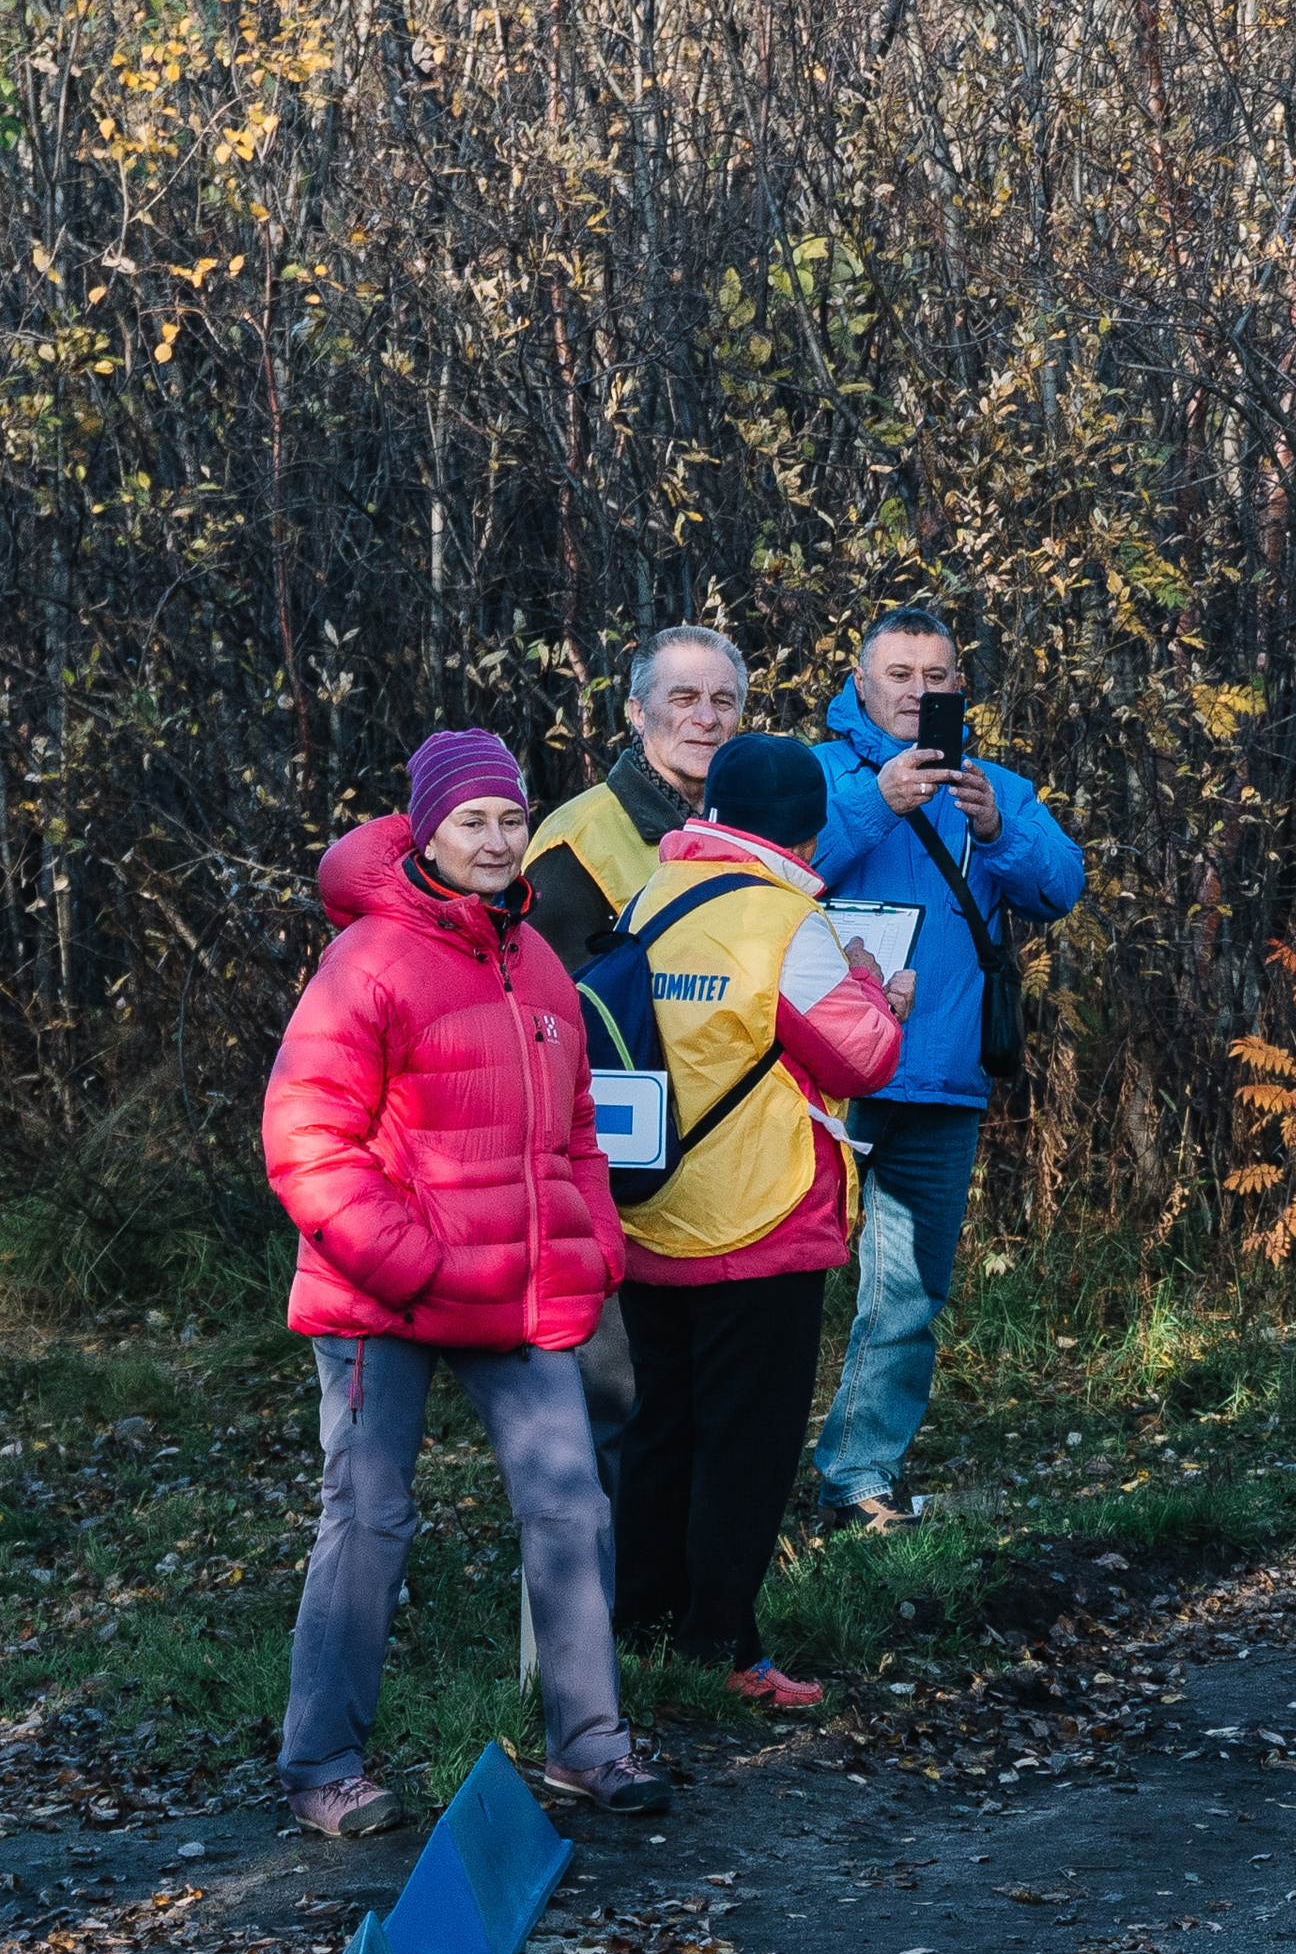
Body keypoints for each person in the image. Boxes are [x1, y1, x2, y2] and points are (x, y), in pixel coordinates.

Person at [263, 729, 671, 1836]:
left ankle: (588, 1745)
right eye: (471, 821)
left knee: (571, 1504)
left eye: (509, 818)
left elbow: (578, 1128)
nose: (495, 840)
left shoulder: (535, 959)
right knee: (369, 1518)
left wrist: (594, 1245)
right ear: (427, 833)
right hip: (385, 1295)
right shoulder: (369, 959)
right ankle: (321, 1765)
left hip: (517, 1292)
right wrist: (415, 1261)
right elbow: (305, 1136)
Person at [612, 731, 913, 1706]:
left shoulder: (652, 895)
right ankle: (724, 1649)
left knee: (662, 1431)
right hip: (760, 1218)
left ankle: (640, 1629)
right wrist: (878, 989)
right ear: (810, 831)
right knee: (745, 1445)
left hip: (651, 1211)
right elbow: (863, 1057)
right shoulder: (788, 922)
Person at [806, 606, 1085, 1531]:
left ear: (959, 685)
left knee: (909, 1293)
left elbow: (1060, 887)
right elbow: (770, 870)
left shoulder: (990, 784)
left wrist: (1000, 828)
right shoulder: (818, 773)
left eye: (937, 676)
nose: (918, 692)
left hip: (938, 1078)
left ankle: (858, 1478)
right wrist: (873, 804)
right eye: (900, 674)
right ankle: (748, 1472)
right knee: (778, 1290)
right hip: (817, 1080)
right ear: (860, 681)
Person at [521, 626, 750, 1497]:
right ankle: (591, 1567)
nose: (705, 719)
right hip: (618, 1162)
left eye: (722, 700)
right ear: (635, 712)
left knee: (697, 1388)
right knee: (618, 1391)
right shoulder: (578, 841)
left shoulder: (744, 826)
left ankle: (673, 1559)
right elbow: (547, 1020)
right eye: (682, 699)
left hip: (719, 1154)